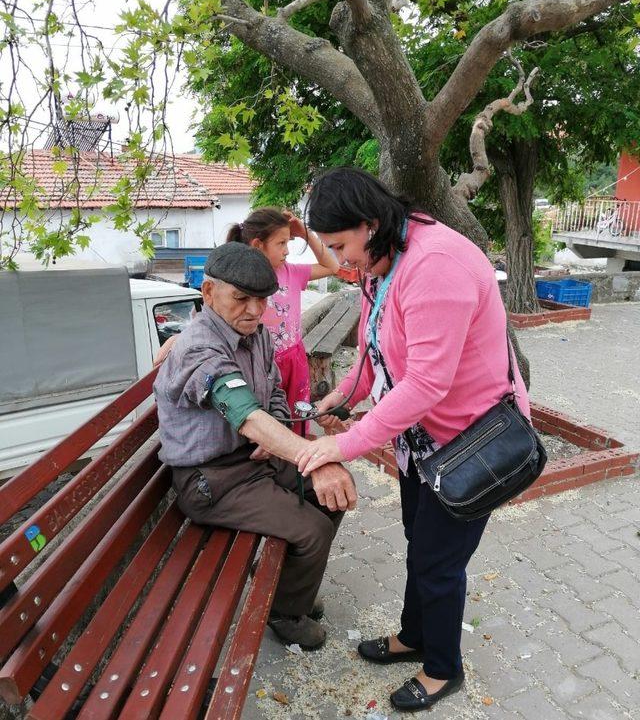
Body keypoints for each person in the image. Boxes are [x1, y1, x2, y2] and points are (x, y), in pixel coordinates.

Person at [293, 168, 530, 711]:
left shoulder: (434, 265)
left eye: (340, 246)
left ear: (369, 224)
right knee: (418, 542)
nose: (341, 260)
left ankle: (443, 668)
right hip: (424, 444)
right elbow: (376, 346)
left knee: (437, 561)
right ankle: (414, 636)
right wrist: (344, 396)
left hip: (474, 443)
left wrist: (342, 446)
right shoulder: (385, 258)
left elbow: (426, 382)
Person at [153, 242, 357, 650]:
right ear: (209, 293)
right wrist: (310, 458)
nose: (252, 310)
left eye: (260, 300)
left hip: (249, 460)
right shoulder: (199, 348)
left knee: (331, 496)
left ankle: (290, 589)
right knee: (312, 528)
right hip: (211, 481)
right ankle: (284, 613)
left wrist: (277, 433)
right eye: (240, 298)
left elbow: (274, 396)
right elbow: (245, 414)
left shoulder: (257, 335)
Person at [226, 207, 340, 424]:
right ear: (258, 246)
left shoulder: (291, 272)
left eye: (288, 243)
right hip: (260, 364)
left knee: (297, 417)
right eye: (281, 243)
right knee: (269, 421)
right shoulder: (240, 281)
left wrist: (305, 232)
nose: (287, 250)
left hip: (294, 359)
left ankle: (296, 456)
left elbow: (332, 266)